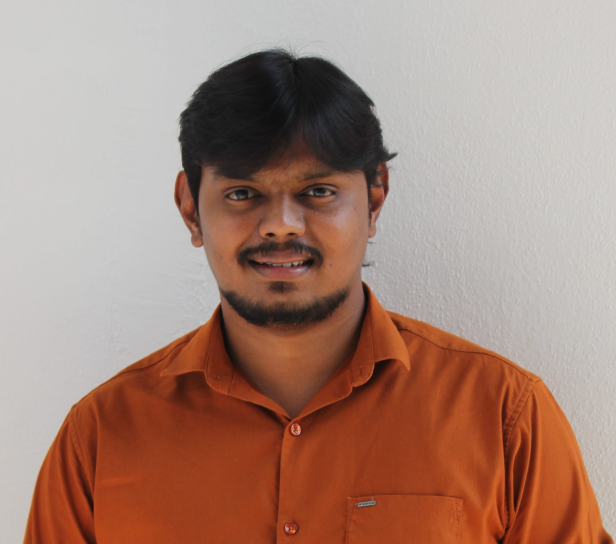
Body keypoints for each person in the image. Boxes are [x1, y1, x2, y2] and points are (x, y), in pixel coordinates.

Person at [24, 49, 612, 544]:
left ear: (375, 198)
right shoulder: (99, 439)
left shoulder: (505, 418)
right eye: (243, 193)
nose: (281, 224)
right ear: (190, 207)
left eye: (319, 191)